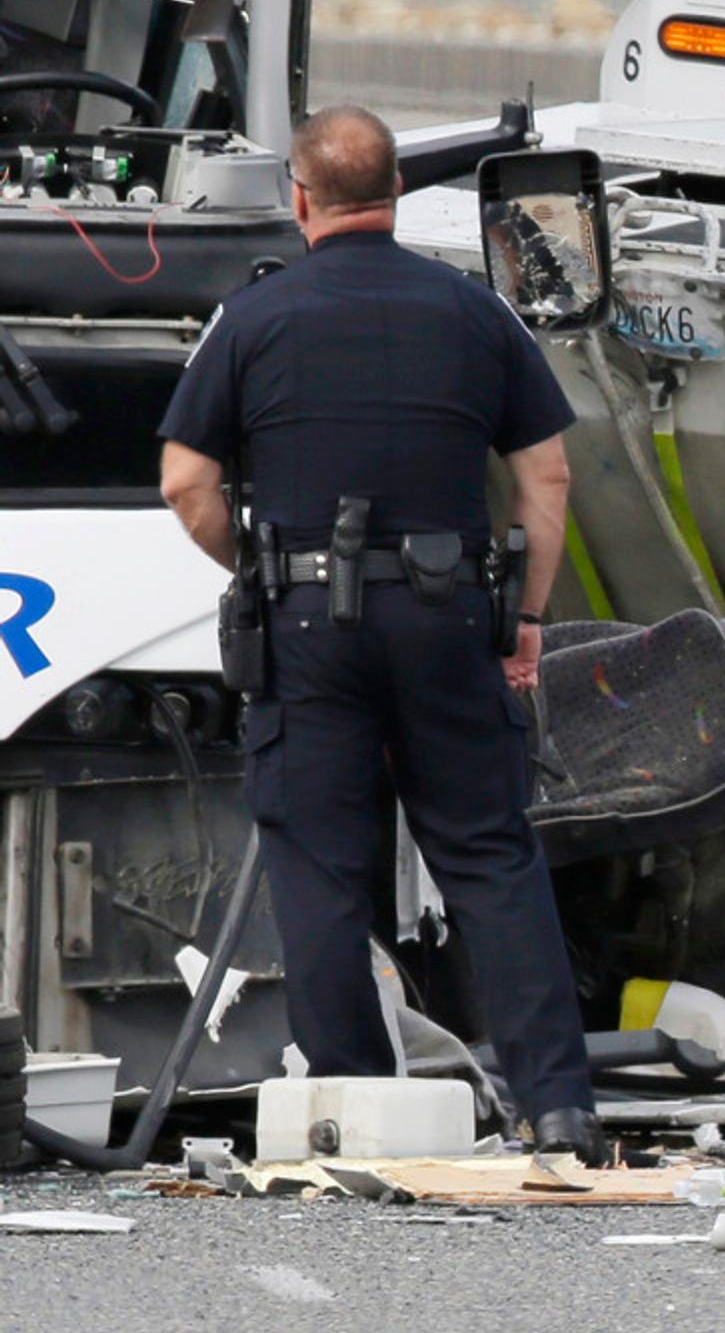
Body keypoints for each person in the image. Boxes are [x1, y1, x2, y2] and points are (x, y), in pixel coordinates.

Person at [156, 106, 599, 1161]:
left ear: (301, 200)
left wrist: (260, 574)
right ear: (396, 194)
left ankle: (357, 1110)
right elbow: (546, 474)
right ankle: (559, 1106)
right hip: (447, 614)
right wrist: (526, 619)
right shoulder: (477, 312)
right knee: (490, 853)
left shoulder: (252, 321)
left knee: (317, 862)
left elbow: (186, 483)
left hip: (307, 621)